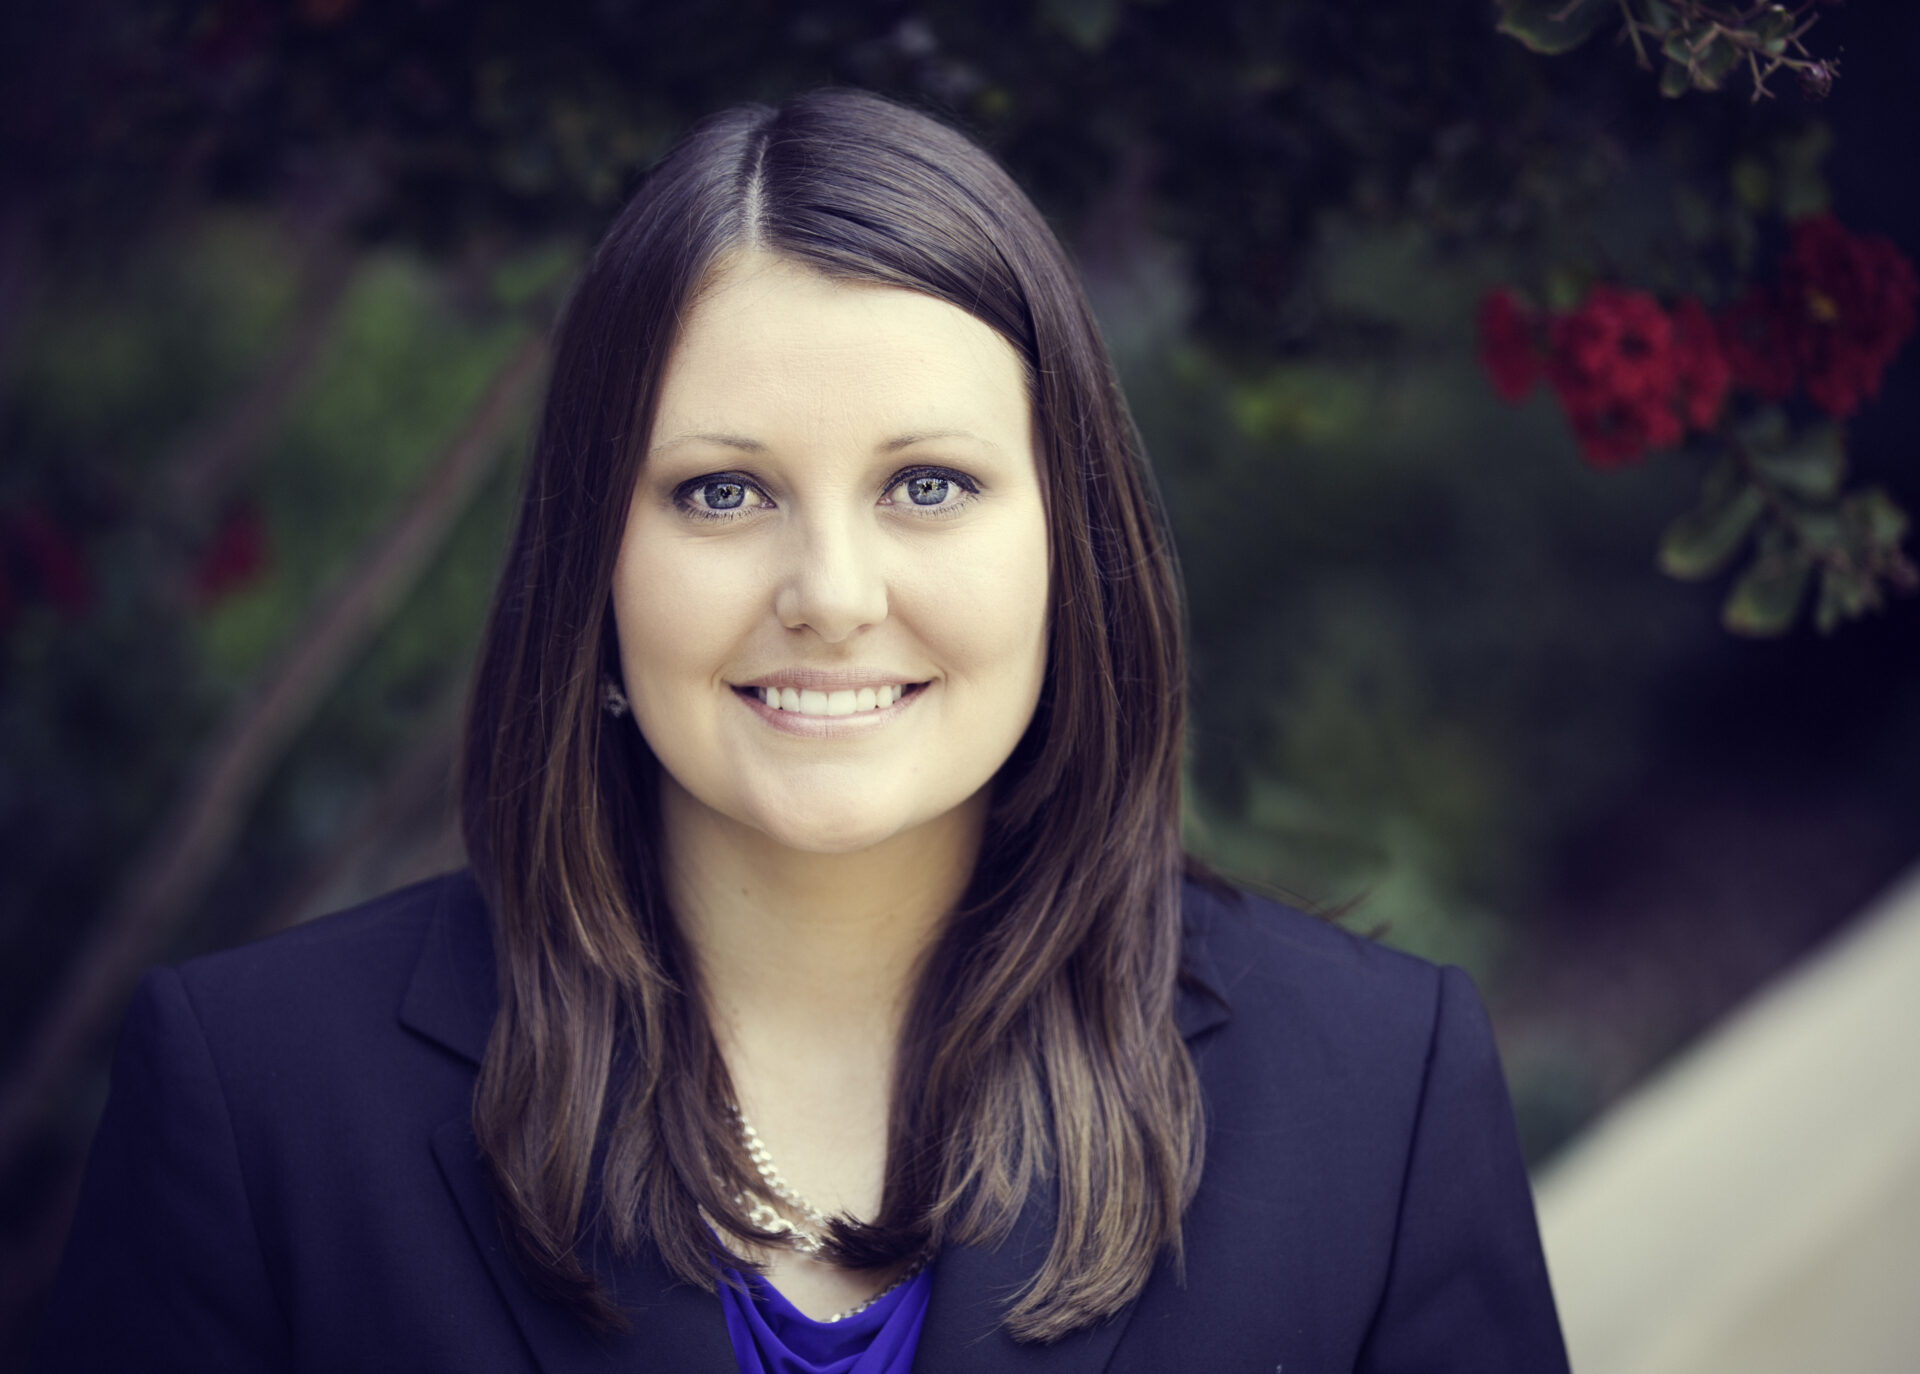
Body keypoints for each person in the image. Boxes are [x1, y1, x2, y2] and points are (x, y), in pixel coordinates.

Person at [37, 89, 1568, 1372]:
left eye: (927, 485)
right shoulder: (257, 1101)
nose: (830, 594)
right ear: (595, 563)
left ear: (1070, 542)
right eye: (722, 491)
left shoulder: (1379, 1091)